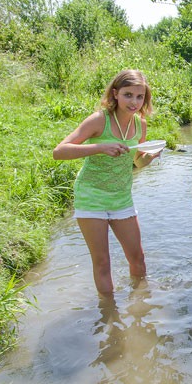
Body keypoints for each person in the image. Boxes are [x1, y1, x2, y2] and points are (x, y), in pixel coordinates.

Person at [53, 69, 160, 295]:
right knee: (102, 262)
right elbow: (59, 152)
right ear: (115, 93)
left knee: (138, 258)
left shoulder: (140, 125)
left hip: (121, 198)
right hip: (91, 196)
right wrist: (101, 147)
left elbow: (137, 163)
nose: (134, 102)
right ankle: (110, 317)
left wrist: (148, 158)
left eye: (140, 97)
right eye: (128, 95)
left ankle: (140, 306)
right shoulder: (99, 120)